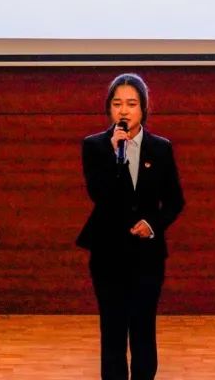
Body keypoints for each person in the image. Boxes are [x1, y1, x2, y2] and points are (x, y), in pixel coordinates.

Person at [77, 73, 185, 380]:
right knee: (112, 331)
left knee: (142, 329)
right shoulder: (95, 146)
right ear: (109, 108)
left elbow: (175, 201)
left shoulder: (160, 148)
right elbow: (99, 195)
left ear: (144, 108)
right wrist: (114, 156)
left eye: (131, 103)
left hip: (147, 256)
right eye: (117, 104)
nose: (123, 110)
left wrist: (152, 224)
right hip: (108, 253)